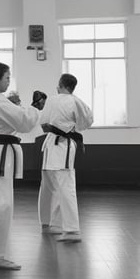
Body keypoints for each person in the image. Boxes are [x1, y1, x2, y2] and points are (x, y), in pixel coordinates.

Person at [0, 62, 41, 270]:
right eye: (6, 78)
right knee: (1, 205)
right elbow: (24, 123)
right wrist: (34, 106)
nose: (8, 81)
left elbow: (14, 120)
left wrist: (16, 106)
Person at [37, 74, 94, 243]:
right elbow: (87, 121)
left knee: (47, 186)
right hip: (64, 144)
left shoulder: (51, 100)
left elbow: (43, 123)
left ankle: (49, 224)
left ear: (60, 85)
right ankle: (68, 229)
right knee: (66, 186)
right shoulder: (77, 102)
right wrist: (72, 126)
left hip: (50, 144)